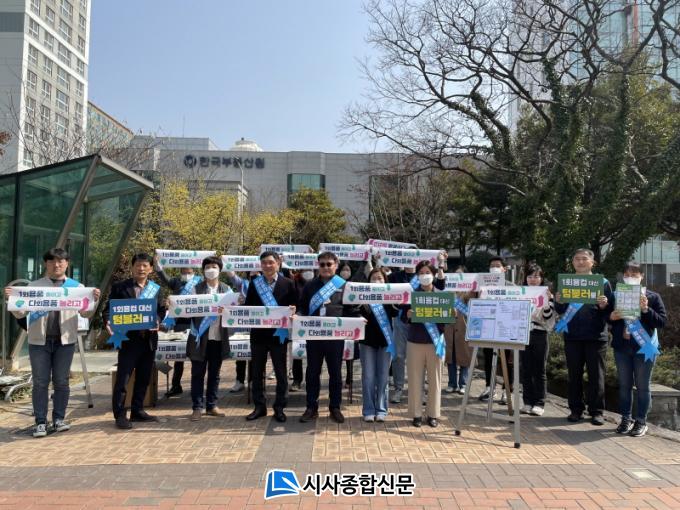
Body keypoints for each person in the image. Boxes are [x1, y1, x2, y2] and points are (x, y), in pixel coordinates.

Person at [5, 248, 100, 438]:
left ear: (67, 264)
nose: (56, 265)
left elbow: (85, 314)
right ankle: (40, 421)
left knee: (61, 381)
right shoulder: (34, 286)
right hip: (39, 342)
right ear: (45, 264)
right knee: (40, 382)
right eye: (52, 261)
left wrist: (94, 300)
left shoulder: (77, 287)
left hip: (65, 342)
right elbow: (21, 313)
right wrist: (11, 299)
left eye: (60, 261)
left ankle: (59, 419)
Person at [299, 251, 361, 424]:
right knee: (312, 372)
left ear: (336, 265)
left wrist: (358, 319)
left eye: (329, 264)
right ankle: (311, 407)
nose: (325, 267)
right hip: (314, 336)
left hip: (335, 337)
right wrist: (297, 315)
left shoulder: (344, 285)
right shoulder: (310, 286)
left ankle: (335, 407)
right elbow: (303, 307)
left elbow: (351, 309)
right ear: (318, 266)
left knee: (335, 373)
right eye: (322, 264)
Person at [104, 253, 165, 430]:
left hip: (149, 340)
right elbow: (108, 310)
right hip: (128, 340)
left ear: (151, 269)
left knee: (144, 377)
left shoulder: (155, 289)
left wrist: (158, 320)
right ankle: (120, 414)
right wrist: (108, 321)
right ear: (132, 267)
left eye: (145, 265)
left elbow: (160, 310)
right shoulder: (120, 287)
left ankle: (137, 410)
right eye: (138, 265)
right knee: (123, 379)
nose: (141, 268)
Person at [554, 248, 613, 426]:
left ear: (592, 262)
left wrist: (604, 306)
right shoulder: (566, 282)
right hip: (572, 336)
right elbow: (561, 310)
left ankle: (597, 411)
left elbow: (611, 312)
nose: (580, 262)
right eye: (577, 259)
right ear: (572, 262)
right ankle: (575, 409)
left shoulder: (603, 283)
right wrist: (559, 301)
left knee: (597, 376)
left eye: (584, 259)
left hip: (596, 337)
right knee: (574, 375)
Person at [610, 262, 667, 437]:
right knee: (624, 386)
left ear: (642, 276)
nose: (630, 278)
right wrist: (611, 316)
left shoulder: (652, 297)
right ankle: (625, 419)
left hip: (644, 347)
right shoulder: (616, 295)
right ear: (623, 277)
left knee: (643, 386)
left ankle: (641, 421)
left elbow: (662, 321)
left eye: (634, 275)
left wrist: (646, 309)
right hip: (622, 347)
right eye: (627, 275)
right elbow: (605, 318)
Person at [244, 251, 298, 423]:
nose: (267, 266)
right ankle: (259, 407)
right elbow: (248, 307)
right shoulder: (255, 284)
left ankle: (280, 407)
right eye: (264, 263)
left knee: (281, 373)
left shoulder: (288, 283)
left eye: (270, 262)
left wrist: (294, 310)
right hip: (258, 335)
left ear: (278, 263)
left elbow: (296, 304)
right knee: (256, 372)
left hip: (278, 335)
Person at [187, 256, 231, 421]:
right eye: (207, 267)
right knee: (197, 373)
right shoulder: (195, 289)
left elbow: (232, 311)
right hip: (200, 338)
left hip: (218, 337)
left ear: (220, 270)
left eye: (214, 267)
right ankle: (197, 407)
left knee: (215, 374)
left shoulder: (227, 289)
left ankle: (212, 405)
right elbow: (187, 310)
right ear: (203, 270)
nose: (211, 270)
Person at [403, 261, 446, 427]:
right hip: (415, 341)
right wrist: (408, 314)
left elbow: (448, 318)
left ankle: (433, 414)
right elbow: (403, 317)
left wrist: (452, 314)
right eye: (421, 273)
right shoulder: (412, 294)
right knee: (415, 379)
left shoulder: (442, 295)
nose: (424, 275)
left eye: (427, 272)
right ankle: (416, 414)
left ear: (434, 275)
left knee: (435, 379)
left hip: (436, 342)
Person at [155, 260, 200, 397]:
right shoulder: (176, 282)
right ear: (180, 272)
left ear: (194, 272)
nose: (186, 274)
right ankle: (176, 385)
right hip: (179, 323)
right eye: (184, 272)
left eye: (189, 272)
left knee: (196, 357)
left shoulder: (200, 282)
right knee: (178, 356)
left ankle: (196, 386)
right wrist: (158, 267)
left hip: (196, 323)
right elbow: (164, 278)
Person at [359, 268, 398, 422]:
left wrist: (396, 302)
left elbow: (397, 312)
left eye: (380, 278)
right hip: (367, 341)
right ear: (369, 281)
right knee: (368, 377)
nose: (377, 281)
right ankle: (368, 409)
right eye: (374, 278)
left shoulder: (390, 296)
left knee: (383, 377)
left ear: (385, 280)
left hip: (385, 341)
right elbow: (355, 311)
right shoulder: (363, 296)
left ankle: (381, 409)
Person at [519, 263, 556, 416]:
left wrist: (547, 302)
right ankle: (527, 402)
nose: (533, 279)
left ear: (541, 279)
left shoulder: (547, 294)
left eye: (536, 276)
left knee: (539, 370)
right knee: (525, 369)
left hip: (540, 334)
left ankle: (540, 403)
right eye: (530, 276)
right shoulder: (520, 293)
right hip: (523, 334)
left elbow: (548, 316)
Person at [479, 256, 513, 403]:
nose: (494, 268)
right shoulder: (483, 286)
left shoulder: (511, 286)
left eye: (497, 266)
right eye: (492, 266)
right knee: (488, 358)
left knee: (507, 360)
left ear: (504, 269)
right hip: (488, 328)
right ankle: (489, 387)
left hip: (506, 329)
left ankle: (507, 390)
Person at [387, 264, 417, 404]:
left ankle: (418, 390)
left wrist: (441, 264)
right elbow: (378, 284)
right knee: (398, 356)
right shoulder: (395, 276)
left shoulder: (423, 274)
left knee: (418, 358)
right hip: (401, 319)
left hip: (420, 321)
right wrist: (376, 261)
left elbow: (440, 286)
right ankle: (398, 389)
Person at [444, 266, 472, 395]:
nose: (458, 277)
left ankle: (463, 383)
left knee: (464, 356)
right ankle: (452, 383)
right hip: (449, 327)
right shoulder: (447, 291)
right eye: (456, 274)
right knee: (451, 356)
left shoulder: (469, 292)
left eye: (461, 274)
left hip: (464, 327)